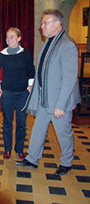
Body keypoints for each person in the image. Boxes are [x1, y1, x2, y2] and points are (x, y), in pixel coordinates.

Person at [15, 9, 81, 176]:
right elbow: (43, 70)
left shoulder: (67, 45)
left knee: (64, 133)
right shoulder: (48, 42)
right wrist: (35, 86)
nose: (42, 26)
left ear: (58, 23)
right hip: (45, 98)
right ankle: (32, 158)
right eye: (42, 23)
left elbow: (69, 79)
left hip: (59, 102)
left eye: (46, 23)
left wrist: (61, 105)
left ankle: (67, 162)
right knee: (38, 130)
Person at [0, 27, 35, 160]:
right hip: (7, 94)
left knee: (21, 124)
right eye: (7, 37)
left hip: (23, 93)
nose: (9, 39)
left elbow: (31, 70)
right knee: (7, 122)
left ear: (19, 38)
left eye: (12, 36)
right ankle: (7, 149)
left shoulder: (25, 53)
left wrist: (30, 85)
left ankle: (20, 149)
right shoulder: (2, 54)